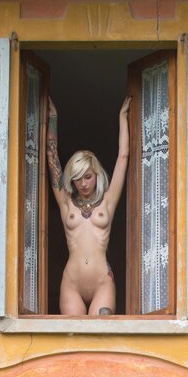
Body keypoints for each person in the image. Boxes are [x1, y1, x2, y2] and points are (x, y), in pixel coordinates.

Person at [47, 95, 131, 316]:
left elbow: (123, 157)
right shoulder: (66, 202)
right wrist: (53, 118)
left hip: (102, 282)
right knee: (73, 334)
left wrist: (122, 117)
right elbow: (51, 156)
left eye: (88, 177)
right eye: (77, 178)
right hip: (71, 284)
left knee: (101, 331)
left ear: (97, 175)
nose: (83, 184)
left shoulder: (108, 201)